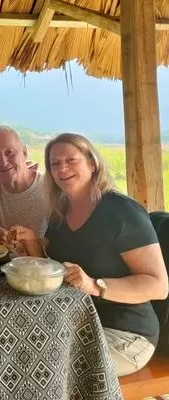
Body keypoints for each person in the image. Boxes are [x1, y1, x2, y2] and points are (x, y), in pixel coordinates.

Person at [13, 133, 168, 377]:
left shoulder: (122, 211)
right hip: (77, 326)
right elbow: (56, 271)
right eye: (55, 163)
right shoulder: (59, 214)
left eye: (71, 160)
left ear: (92, 163)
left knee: (41, 369)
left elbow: (158, 286)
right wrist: (31, 243)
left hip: (127, 336)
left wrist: (94, 285)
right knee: (16, 349)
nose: (62, 168)